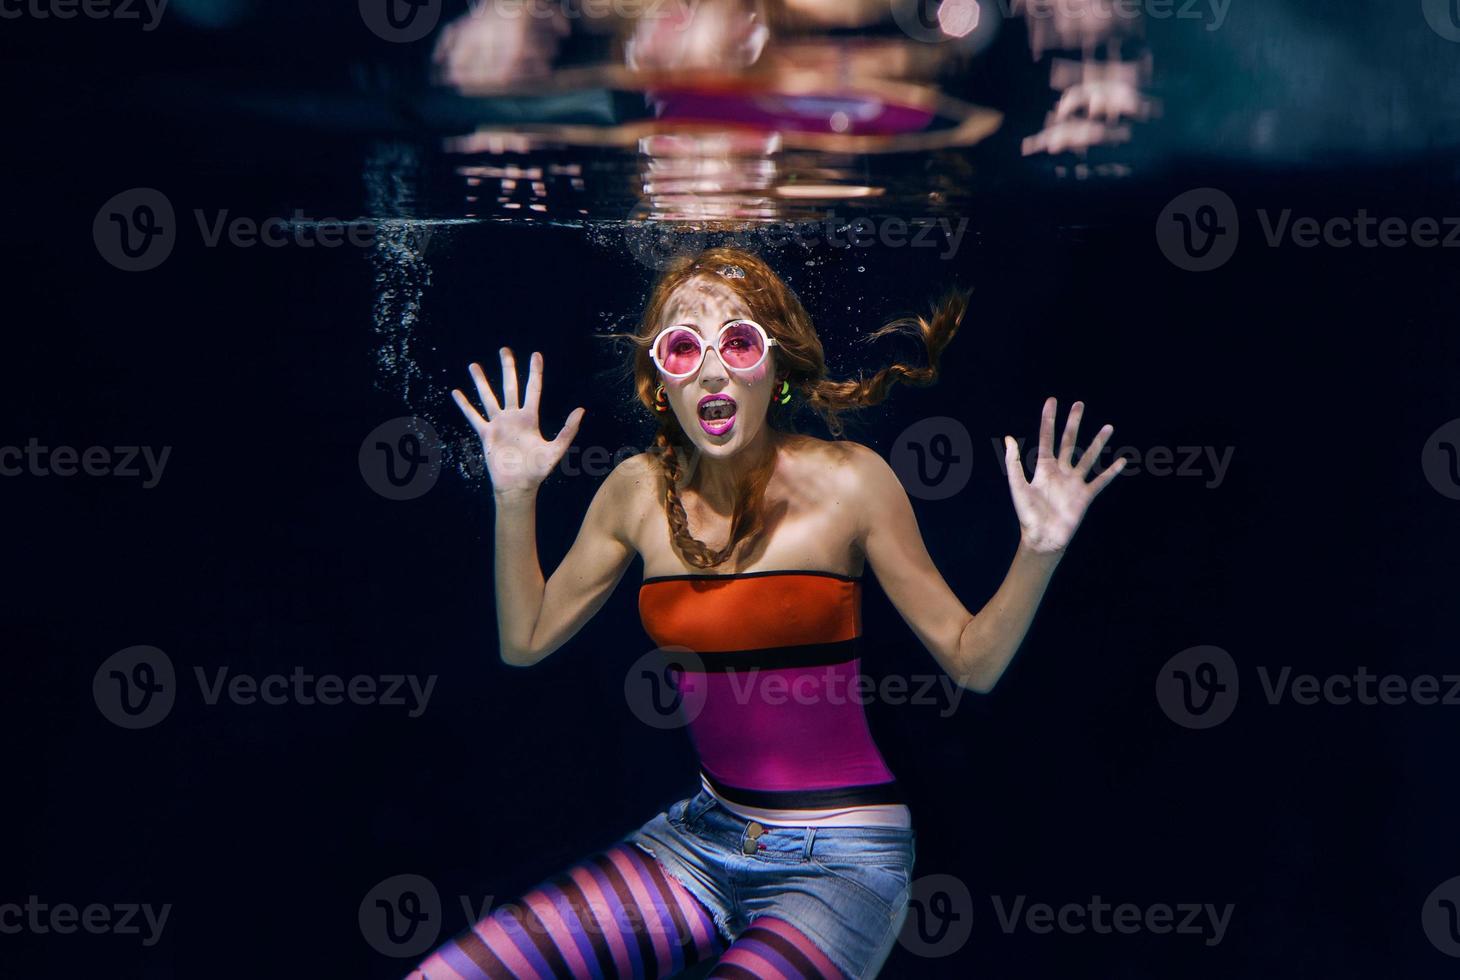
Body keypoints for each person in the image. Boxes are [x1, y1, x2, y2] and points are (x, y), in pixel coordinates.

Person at [411, 247, 1124, 979]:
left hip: (842, 864)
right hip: (700, 842)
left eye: (739, 343)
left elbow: (972, 661)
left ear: (774, 368)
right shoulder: (634, 491)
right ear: (661, 381)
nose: (713, 371)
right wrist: (515, 495)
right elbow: (524, 640)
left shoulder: (850, 482)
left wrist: (1038, 549)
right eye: (684, 348)